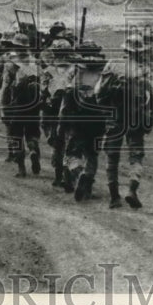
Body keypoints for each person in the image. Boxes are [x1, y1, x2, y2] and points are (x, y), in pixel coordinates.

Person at [95, 34, 153, 210]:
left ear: (125, 50)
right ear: (140, 51)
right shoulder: (144, 70)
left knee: (112, 157)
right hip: (136, 117)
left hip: (115, 117)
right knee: (136, 156)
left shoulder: (113, 65)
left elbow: (99, 91)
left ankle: (114, 197)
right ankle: (132, 189)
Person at [60, 43, 108, 201]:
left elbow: (66, 95)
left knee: (71, 153)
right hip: (98, 119)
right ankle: (87, 181)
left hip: (77, 118)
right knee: (92, 154)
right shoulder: (105, 71)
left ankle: (78, 172)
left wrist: (62, 120)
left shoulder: (75, 70)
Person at [0, 34, 43, 177]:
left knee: (16, 135)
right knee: (32, 132)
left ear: (15, 47)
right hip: (33, 105)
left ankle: (21, 168)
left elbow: (5, 87)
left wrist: (2, 107)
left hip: (16, 105)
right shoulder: (36, 62)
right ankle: (33, 149)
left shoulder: (10, 64)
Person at [40, 39, 75, 188]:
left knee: (56, 143)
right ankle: (67, 175)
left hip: (52, 111)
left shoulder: (48, 70)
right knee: (68, 143)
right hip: (69, 110)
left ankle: (58, 175)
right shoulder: (75, 69)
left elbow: (42, 91)